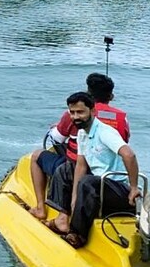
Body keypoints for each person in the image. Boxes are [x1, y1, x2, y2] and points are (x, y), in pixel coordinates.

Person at [28, 73, 130, 225]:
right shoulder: (121, 118)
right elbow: (125, 143)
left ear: (88, 94)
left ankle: (41, 208)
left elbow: (56, 138)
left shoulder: (74, 114)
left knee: (37, 156)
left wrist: (57, 127)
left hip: (79, 168)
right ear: (111, 96)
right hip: (105, 173)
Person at [50, 91, 140, 248]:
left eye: (80, 112)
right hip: (101, 184)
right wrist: (74, 198)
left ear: (92, 111)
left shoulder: (105, 132)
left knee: (88, 181)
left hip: (118, 190)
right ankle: (63, 218)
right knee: (65, 170)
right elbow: (81, 165)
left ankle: (77, 235)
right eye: (72, 112)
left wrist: (133, 188)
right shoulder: (82, 133)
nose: (75, 117)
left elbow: (129, 155)